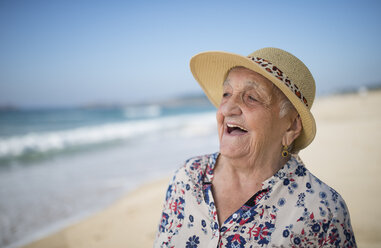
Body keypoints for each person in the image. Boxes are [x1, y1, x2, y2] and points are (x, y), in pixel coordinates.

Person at [154, 48, 356, 247]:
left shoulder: (323, 211)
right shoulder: (187, 177)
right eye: (226, 94)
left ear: (291, 126)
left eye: (251, 97)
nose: (225, 109)